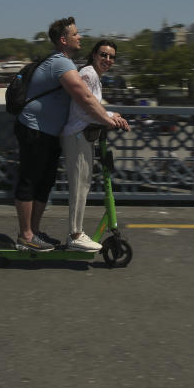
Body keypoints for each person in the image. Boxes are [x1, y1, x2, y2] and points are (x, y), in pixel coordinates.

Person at [13, 17, 123, 252]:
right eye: (75, 34)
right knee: (30, 181)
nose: (80, 37)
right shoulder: (62, 64)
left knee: (44, 183)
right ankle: (25, 236)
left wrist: (109, 114)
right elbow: (84, 99)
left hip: (51, 132)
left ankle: (35, 232)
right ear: (64, 40)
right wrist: (108, 120)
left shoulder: (68, 64)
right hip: (34, 128)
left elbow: (90, 101)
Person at [60, 40, 129, 251]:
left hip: (84, 136)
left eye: (111, 57)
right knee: (80, 186)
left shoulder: (95, 76)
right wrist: (109, 117)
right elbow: (84, 109)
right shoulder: (89, 74)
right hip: (78, 135)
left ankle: (76, 233)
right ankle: (74, 235)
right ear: (94, 54)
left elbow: (92, 106)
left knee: (83, 184)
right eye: (103, 55)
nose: (107, 59)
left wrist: (109, 114)